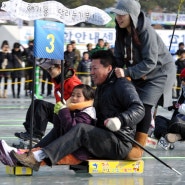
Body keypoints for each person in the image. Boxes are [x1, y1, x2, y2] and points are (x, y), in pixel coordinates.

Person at [8, 50, 144, 171]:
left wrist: (119, 120)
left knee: (81, 129)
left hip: (118, 142)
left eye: (95, 68)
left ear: (109, 68)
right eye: (91, 68)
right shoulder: (102, 87)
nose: (91, 72)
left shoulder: (122, 85)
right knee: (60, 126)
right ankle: (30, 153)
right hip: (102, 136)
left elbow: (139, 108)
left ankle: (38, 157)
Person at [111, 0, 176, 160]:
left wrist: (126, 71)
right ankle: (125, 140)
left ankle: (138, 148)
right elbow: (119, 56)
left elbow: (150, 62)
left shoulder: (146, 32)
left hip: (160, 72)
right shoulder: (120, 30)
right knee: (131, 102)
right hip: (140, 72)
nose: (118, 18)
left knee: (143, 106)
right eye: (116, 14)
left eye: (122, 14)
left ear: (132, 15)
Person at [0, 84, 96, 167]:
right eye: (73, 95)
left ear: (88, 99)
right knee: (53, 135)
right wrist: (58, 113)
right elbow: (59, 128)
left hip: (76, 153)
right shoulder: (76, 110)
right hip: (69, 148)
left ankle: (19, 156)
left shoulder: (87, 114)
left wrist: (64, 111)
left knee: (45, 154)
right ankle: (20, 152)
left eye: (78, 96)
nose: (74, 98)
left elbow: (72, 129)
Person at [13, 59, 81, 146]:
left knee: (42, 106)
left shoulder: (72, 82)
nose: (48, 72)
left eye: (50, 69)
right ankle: (30, 132)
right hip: (60, 112)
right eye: (47, 69)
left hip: (69, 117)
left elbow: (81, 101)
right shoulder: (58, 79)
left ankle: (36, 135)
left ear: (59, 67)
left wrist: (67, 105)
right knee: (36, 102)